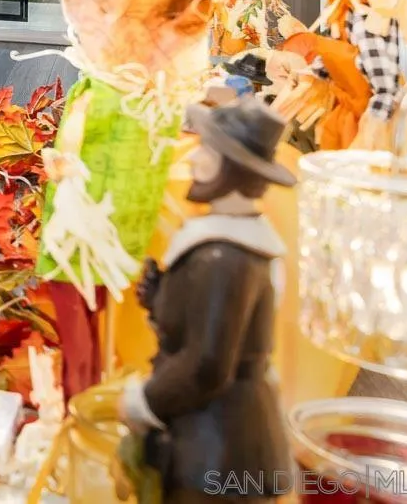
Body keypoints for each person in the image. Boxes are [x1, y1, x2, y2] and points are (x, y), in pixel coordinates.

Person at [119, 96, 294, 503]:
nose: (195, 160)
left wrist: (144, 404)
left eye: (206, 152)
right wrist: (161, 297)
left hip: (218, 446)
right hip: (217, 437)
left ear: (231, 169)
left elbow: (207, 366)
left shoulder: (225, 257)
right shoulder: (230, 245)